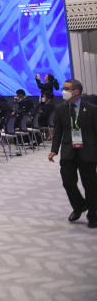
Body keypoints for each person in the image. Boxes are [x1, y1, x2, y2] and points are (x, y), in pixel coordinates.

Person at [49, 79, 97, 228]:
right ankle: (79, 206)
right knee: (68, 182)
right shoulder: (60, 109)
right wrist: (53, 150)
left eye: (66, 89)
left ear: (76, 91)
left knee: (90, 185)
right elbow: (58, 132)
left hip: (88, 151)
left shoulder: (92, 109)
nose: (63, 91)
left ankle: (93, 215)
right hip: (68, 151)